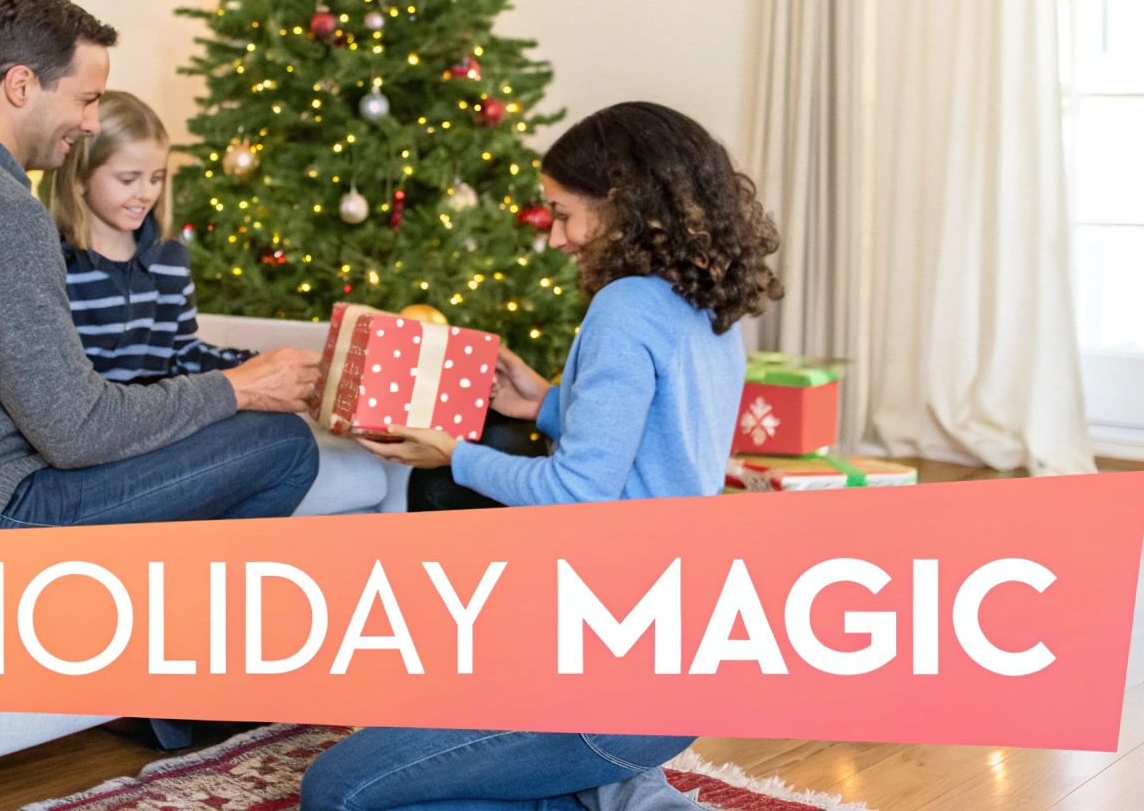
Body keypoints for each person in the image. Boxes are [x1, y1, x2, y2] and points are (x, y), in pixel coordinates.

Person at [300, 101, 784, 811]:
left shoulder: (622, 307)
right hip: (683, 661)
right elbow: (665, 440)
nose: (554, 236)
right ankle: (612, 788)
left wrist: (452, 453)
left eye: (562, 213)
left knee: (338, 792)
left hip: (616, 681)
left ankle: (606, 781)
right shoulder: (702, 300)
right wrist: (544, 404)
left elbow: (579, 490)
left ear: (620, 204)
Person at [0, 0, 324, 539]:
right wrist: (240, 388)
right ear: (20, 85)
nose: (94, 123)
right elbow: (77, 429)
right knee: (286, 446)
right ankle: (152, 616)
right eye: (85, 98)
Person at [47, 90, 255, 382]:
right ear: (80, 177)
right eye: (128, 179)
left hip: (163, 417)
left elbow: (181, 353)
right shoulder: (56, 263)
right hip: (94, 419)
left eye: (156, 178)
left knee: (285, 425)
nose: (145, 193)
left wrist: (249, 366)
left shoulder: (171, 257)